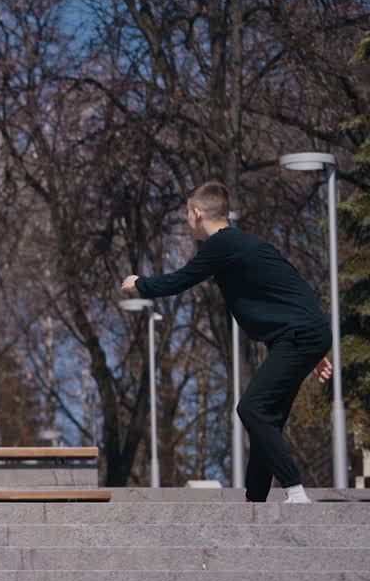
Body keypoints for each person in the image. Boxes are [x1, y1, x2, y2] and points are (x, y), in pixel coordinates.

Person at [121, 181, 334, 504]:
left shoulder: (221, 245)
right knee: (268, 417)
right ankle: (255, 499)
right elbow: (290, 285)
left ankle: (295, 490)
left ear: (195, 213)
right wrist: (314, 348)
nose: (187, 221)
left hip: (300, 335)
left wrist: (141, 284)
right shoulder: (242, 244)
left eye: (187, 215)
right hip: (303, 332)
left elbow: (181, 279)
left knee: (252, 409)